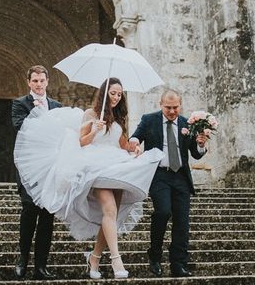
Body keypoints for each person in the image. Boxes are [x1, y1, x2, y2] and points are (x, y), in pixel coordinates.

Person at [14, 77, 164, 280]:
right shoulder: (90, 114)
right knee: (109, 210)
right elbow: (79, 143)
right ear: (104, 93)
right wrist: (94, 131)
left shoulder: (119, 118)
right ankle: (116, 260)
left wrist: (134, 148)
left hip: (117, 167)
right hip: (95, 168)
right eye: (113, 93)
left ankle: (94, 258)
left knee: (112, 215)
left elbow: (123, 145)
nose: (117, 98)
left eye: (120, 94)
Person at [128, 90, 207, 278]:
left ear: (180, 105)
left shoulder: (188, 123)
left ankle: (178, 264)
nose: (172, 111)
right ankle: (155, 254)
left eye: (175, 107)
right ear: (160, 104)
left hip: (181, 177)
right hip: (159, 175)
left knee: (182, 221)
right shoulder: (149, 119)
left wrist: (201, 144)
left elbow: (196, 154)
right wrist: (135, 144)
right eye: (168, 107)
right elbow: (135, 137)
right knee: (163, 211)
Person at [11, 65, 62, 280]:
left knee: (47, 218)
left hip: (50, 169)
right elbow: (20, 127)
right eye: (35, 81)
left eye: (42, 80)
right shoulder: (20, 104)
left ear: (47, 81)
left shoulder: (57, 106)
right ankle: (23, 260)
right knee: (29, 213)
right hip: (29, 168)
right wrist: (44, 120)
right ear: (29, 82)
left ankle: (41, 265)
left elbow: (62, 133)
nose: (39, 84)